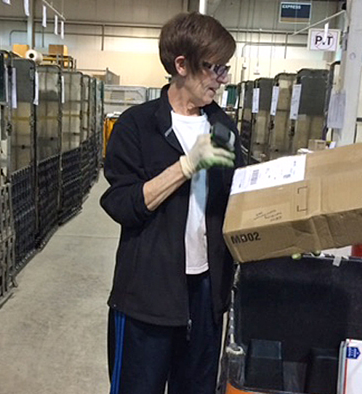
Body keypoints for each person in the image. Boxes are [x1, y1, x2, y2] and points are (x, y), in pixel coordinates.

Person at [100, 11, 244, 394]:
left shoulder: (224, 128)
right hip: (147, 296)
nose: (222, 78)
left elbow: (238, 197)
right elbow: (121, 203)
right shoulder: (137, 126)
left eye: (225, 68)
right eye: (215, 68)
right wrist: (187, 165)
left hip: (205, 296)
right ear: (181, 65)